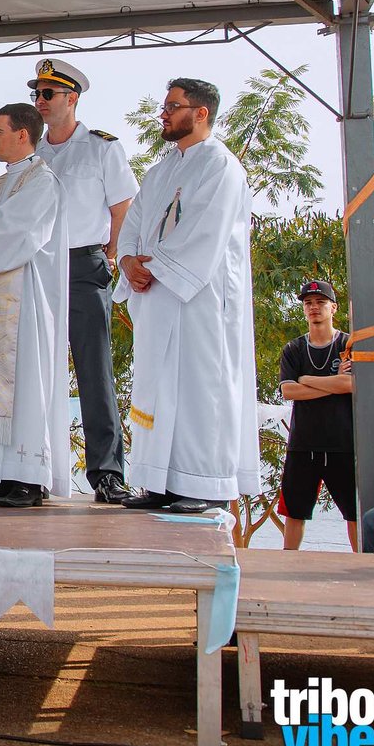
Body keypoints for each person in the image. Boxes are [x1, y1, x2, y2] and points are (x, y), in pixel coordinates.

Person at [115, 78, 259, 513]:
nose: (163, 114)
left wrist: (152, 266)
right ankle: (160, 481)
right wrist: (128, 261)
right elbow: (134, 222)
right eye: (164, 106)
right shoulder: (160, 171)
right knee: (159, 389)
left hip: (201, 304)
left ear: (201, 113)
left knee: (200, 389)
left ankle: (205, 484)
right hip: (158, 297)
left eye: (172, 106)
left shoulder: (222, 167)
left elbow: (204, 233)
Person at [32, 58, 137, 504]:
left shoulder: (102, 148)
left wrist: (110, 256)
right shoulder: (33, 151)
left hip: (82, 264)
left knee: (94, 372)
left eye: (48, 93)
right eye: (36, 93)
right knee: (34, 371)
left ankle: (107, 473)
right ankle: (31, 469)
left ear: (71, 98)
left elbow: (123, 208)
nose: (39, 101)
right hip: (38, 267)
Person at [0, 105, 70, 508]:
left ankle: (29, 479)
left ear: (22, 135)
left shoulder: (42, 182)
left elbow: (11, 233)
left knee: (25, 384)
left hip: (27, 303)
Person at [278, 280, 358, 550]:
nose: (314, 307)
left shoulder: (348, 345)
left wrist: (307, 379)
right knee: (294, 512)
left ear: (333, 307)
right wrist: (333, 384)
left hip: (343, 444)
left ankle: (363, 564)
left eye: (320, 302)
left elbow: (351, 385)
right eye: (308, 303)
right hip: (303, 445)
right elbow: (289, 391)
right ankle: (287, 566)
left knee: (354, 513)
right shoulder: (294, 349)